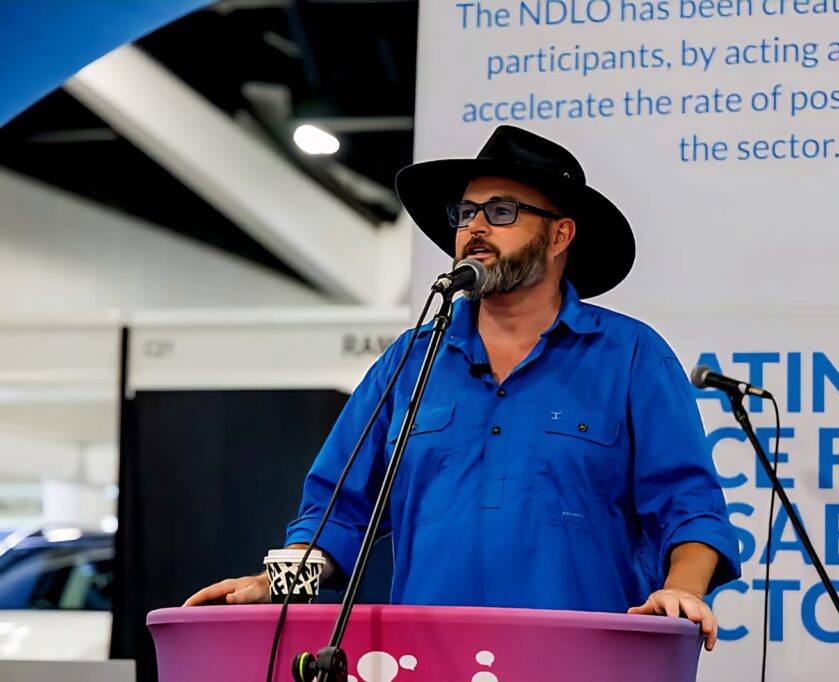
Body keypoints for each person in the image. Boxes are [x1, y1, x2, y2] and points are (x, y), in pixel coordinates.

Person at [186, 125, 740, 651]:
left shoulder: (631, 356)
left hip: (583, 659)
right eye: (466, 212)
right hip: (425, 660)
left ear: (560, 235)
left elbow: (689, 506)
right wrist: (273, 583)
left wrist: (683, 590)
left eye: (502, 211)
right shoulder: (411, 360)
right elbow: (336, 508)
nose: (475, 228)